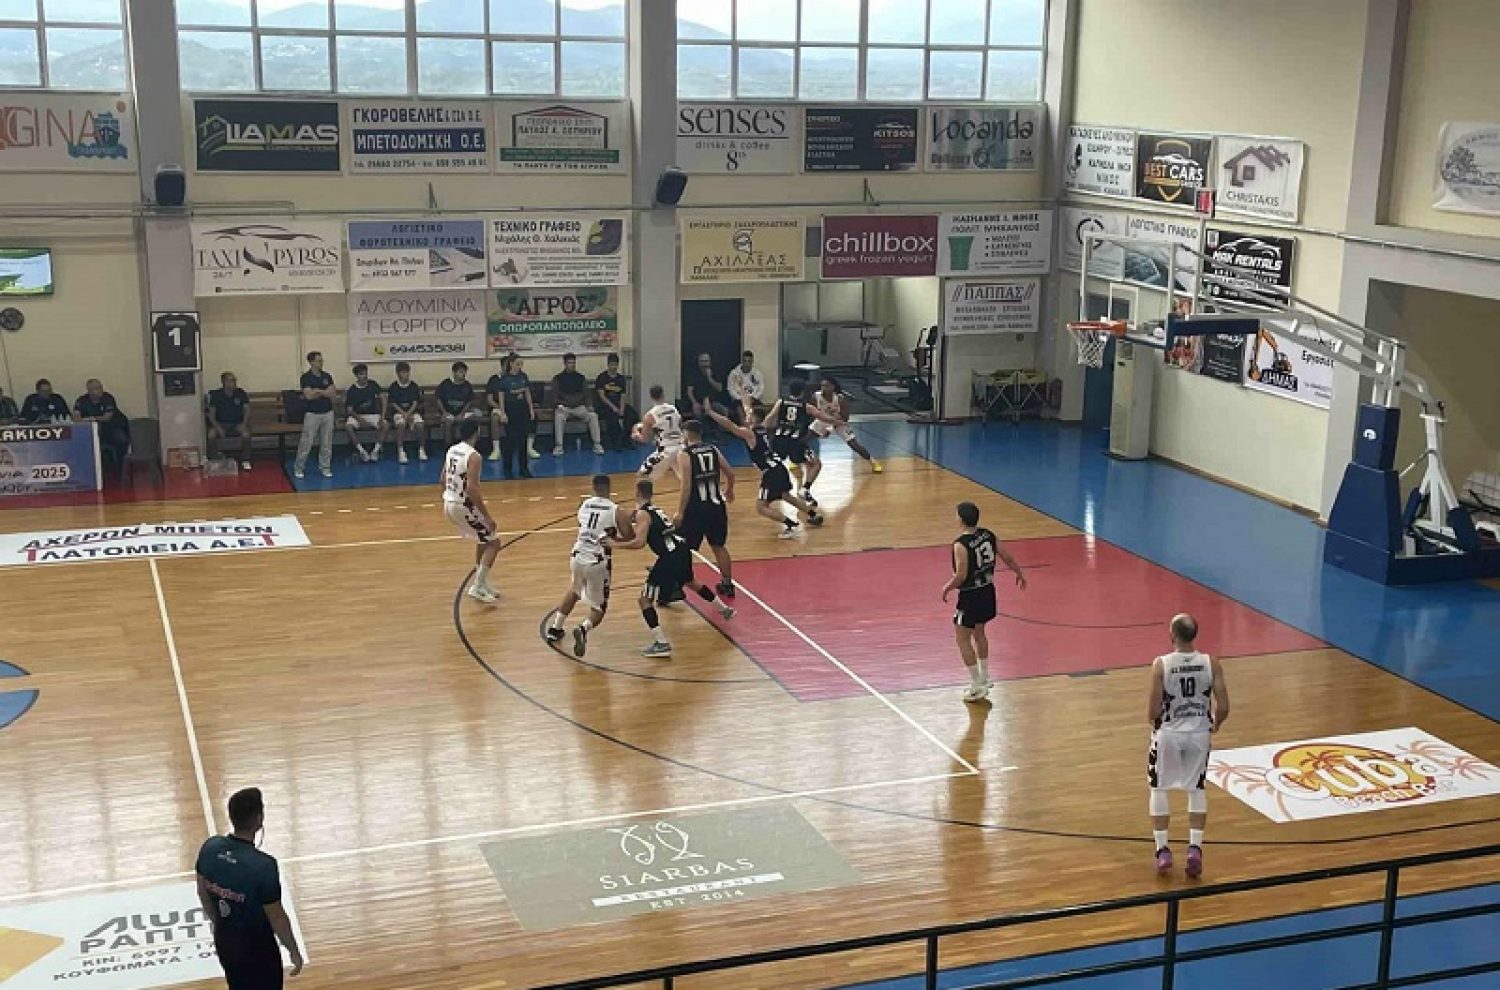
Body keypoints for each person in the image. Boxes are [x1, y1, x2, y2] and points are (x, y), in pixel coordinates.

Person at [605, 478, 735, 658]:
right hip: (682, 549)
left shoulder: (643, 515)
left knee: (644, 600)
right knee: (690, 581)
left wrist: (615, 544)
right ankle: (724, 609)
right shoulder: (654, 510)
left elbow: (639, 543)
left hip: (670, 557)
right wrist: (620, 537)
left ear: (637, 493)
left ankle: (661, 643)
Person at [195, 788, 305, 989]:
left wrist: (220, 924)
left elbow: (202, 891)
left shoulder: (210, 847)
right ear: (258, 819)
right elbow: (277, 916)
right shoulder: (264, 866)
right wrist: (293, 950)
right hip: (258, 950)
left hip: (226, 942)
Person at [1147, 613, 1229, 879]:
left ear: (1172, 635)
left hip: (1169, 733)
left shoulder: (1161, 665)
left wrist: (1156, 720)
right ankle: (1195, 848)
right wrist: (1216, 724)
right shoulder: (1211, 663)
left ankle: (1163, 850)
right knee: (1196, 788)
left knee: (1159, 787)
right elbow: (1224, 706)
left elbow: (1153, 709)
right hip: (1199, 733)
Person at [940, 501, 1027, 703]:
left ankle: (976, 684)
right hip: (988, 591)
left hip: (970, 596)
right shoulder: (988, 535)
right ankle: (984, 676)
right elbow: (1007, 557)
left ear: (961, 519)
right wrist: (1019, 572)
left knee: (962, 639)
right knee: (980, 633)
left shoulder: (960, 544)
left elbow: (961, 575)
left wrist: (947, 587)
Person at [546, 473, 634, 657]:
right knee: (599, 608)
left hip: (577, 555)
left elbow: (584, 524)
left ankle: (555, 628)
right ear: (609, 487)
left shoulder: (584, 504)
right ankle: (583, 628)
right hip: (597, 561)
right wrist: (623, 527)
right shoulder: (616, 510)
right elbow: (630, 536)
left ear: (593, 488)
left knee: (574, 590)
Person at [705, 405, 823, 538]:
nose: (747, 415)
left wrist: (711, 413)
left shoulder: (750, 434)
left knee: (761, 507)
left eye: (750, 414)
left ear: (754, 418)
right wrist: (743, 395)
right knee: (786, 496)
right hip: (779, 467)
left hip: (771, 472)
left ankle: (792, 525)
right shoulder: (763, 427)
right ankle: (813, 514)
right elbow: (747, 407)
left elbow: (730, 425)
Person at [674, 419, 736, 598]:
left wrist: (680, 511)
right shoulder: (713, 449)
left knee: (684, 547)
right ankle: (727, 584)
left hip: (696, 508)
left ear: (687, 434)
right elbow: (730, 473)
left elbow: (686, 485)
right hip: (716, 505)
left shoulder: (685, 454)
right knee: (719, 546)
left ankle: (678, 584)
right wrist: (729, 490)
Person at [442, 419, 501, 603]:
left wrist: (451, 495)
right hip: (463, 506)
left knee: (482, 539)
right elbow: (472, 489)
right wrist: (486, 516)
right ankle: (477, 586)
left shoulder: (452, 449)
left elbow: (442, 478)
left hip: (448, 502)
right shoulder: (474, 456)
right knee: (494, 542)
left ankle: (481, 582)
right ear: (477, 432)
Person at [764, 380, 842, 507]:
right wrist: (837, 421)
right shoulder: (807, 407)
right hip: (796, 443)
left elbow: (768, 420)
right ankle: (804, 490)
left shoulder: (780, 402)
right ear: (803, 392)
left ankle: (768, 490)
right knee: (816, 464)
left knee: (772, 465)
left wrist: (761, 432)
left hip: (779, 441)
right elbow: (823, 417)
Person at [811, 374, 882, 474]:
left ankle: (873, 461)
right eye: (822, 386)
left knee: (854, 444)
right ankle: (796, 459)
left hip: (838, 422)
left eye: (826, 386)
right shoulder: (816, 396)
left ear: (833, 387)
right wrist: (819, 425)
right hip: (822, 420)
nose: (823, 388)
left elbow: (845, 417)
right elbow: (812, 411)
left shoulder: (840, 399)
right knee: (805, 438)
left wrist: (829, 429)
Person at [72, 378, 130, 477]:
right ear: (89, 391)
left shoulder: (108, 398)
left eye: (100, 387)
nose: (100, 390)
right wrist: (86, 419)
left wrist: (91, 418)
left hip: (114, 427)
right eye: (96, 388)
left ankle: (121, 471)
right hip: (94, 430)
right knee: (82, 443)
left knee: (121, 440)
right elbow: (76, 418)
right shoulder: (82, 400)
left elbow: (107, 417)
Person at [293, 352, 337, 480]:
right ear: (311, 362)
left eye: (322, 360)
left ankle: (325, 467)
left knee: (326, 442)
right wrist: (324, 392)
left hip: (328, 412)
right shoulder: (306, 378)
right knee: (306, 442)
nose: (321, 362)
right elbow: (308, 396)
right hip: (312, 414)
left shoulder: (327, 376)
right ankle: (299, 467)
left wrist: (318, 391)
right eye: (318, 360)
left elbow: (332, 393)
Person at [551, 352, 605, 456]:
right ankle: (559, 446)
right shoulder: (557, 378)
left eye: (573, 363)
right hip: (564, 408)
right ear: (565, 364)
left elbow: (587, 394)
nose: (572, 365)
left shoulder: (581, 378)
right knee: (558, 417)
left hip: (579, 407)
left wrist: (589, 405)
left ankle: (597, 444)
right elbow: (554, 396)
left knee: (593, 416)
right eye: (569, 363)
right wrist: (559, 405)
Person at [492, 354, 535, 479]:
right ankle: (508, 470)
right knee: (509, 442)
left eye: (521, 364)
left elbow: (527, 393)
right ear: (511, 364)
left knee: (523, 441)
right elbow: (501, 397)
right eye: (517, 364)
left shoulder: (523, 377)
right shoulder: (504, 379)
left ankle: (524, 469)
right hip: (510, 411)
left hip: (522, 410)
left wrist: (531, 409)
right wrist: (503, 413)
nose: (519, 366)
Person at [634, 385, 686, 483]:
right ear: (663, 394)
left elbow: (645, 439)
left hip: (666, 450)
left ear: (651, 397)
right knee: (686, 478)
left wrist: (636, 434)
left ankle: (645, 494)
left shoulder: (650, 415)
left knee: (642, 476)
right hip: (681, 447)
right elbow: (680, 426)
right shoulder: (674, 409)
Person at [206, 372, 253, 471]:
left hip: (237, 424)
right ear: (224, 382)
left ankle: (245, 460)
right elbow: (211, 415)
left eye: (234, 380)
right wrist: (218, 428)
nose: (234, 382)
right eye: (231, 380)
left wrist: (243, 424)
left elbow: (247, 410)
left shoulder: (240, 393)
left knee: (246, 434)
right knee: (211, 434)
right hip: (221, 424)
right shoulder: (216, 395)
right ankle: (215, 460)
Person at [343, 363, 387, 463]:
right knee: (348, 426)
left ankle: (375, 451)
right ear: (357, 376)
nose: (365, 376)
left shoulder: (373, 384)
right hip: (357, 415)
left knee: (385, 425)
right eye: (361, 374)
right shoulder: (352, 390)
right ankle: (361, 451)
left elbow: (383, 399)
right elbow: (349, 410)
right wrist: (360, 419)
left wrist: (382, 416)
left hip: (373, 414)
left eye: (365, 373)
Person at [594, 353, 637, 451]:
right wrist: (613, 407)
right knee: (612, 417)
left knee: (632, 414)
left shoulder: (621, 379)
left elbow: (623, 396)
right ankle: (615, 442)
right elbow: (602, 396)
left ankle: (626, 439)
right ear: (608, 365)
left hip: (618, 404)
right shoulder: (601, 378)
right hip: (605, 405)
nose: (613, 367)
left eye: (615, 365)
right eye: (611, 364)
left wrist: (621, 409)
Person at [386, 362, 427, 464]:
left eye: (407, 372)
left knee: (420, 425)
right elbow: (393, 403)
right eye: (403, 372)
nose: (406, 374)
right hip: (399, 413)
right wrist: (404, 414)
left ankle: (421, 449)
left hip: (412, 412)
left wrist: (408, 414)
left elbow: (415, 402)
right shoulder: (394, 387)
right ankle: (401, 451)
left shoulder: (413, 386)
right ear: (398, 373)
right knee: (401, 425)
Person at [436, 361, 482, 448]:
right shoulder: (445, 384)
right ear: (454, 372)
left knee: (475, 417)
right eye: (461, 372)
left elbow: (469, 401)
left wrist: (462, 413)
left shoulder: (467, 385)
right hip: (448, 413)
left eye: (464, 372)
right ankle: (448, 447)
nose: (463, 374)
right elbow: (438, 399)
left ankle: (471, 446)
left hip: (462, 413)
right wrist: (444, 412)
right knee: (447, 422)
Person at [686, 352, 728, 422]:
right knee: (697, 412)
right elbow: (689, 391)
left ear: (710, 362)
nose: (704, 364)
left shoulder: (716, 372)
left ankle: (722, 429)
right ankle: (701, 429)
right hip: (699, 402)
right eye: (702, 361)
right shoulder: (693, 374)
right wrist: (694, 403)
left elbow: (719, 389)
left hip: (713, 402)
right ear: (698, 362)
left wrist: (710, 378)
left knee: (723, 410)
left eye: (706, 361)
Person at [726, 350, 765, 422]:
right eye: (745, 361)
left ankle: (757, 427)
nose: (747, 364)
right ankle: (744, 426)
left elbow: (761, 389)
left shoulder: (757, 374)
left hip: (753, 399)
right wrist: (742, 399)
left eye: (749, 361)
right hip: (738, 400)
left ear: (752, 362)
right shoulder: (734, 373)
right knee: (738, 411)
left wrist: (753, 398)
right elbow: (730, 389)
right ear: (742, 361)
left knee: (760, 411)